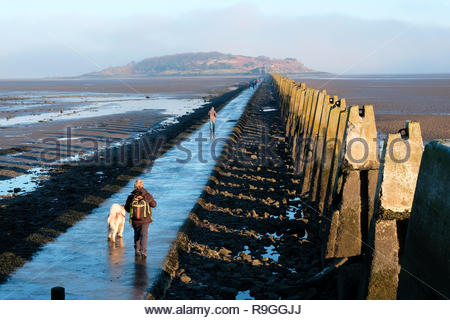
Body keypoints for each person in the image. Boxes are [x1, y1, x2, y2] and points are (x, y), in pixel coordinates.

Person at [125, 179, 157, 258]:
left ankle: (137, 250)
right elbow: (154, 205)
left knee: (137, 234)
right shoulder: (147, 195)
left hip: (135, 220)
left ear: (134, 186)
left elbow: (127, 209)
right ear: (143, 185)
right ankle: (143, 252)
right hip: (145, 220)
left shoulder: (131, 196)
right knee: (144, 235)